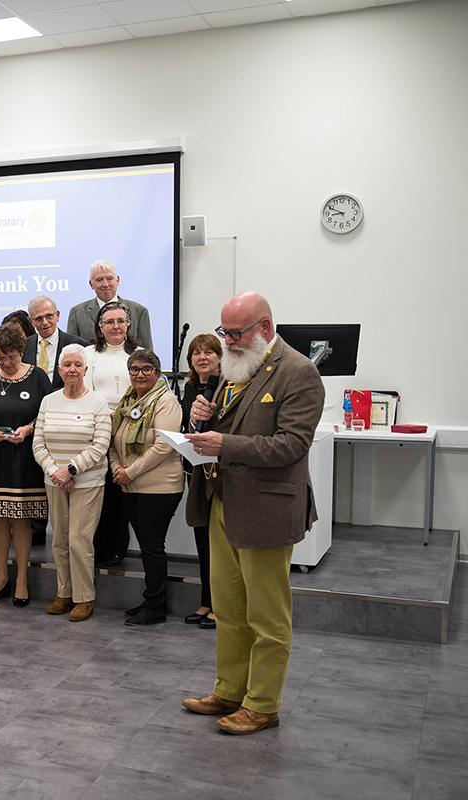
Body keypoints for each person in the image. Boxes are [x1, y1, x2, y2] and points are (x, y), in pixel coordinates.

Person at [182, 292, 323, 735]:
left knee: (267, 615)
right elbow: (230, 428)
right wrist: (206, 418)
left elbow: (291, 445)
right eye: (224, 331)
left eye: (236, 333)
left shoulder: (298, 372)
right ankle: (229, 689)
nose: (227, 341)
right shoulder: (235, 367)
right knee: (228, 608)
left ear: (265, 327)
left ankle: (262, 704)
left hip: (266, 510)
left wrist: (225, 444)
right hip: (223, 501)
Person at [0, 326, 52, 607]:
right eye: (1, 357)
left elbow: (49, 415)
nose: (5, 362)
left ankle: (22, 581)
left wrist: (28, 430)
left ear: (22, 352)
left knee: (20, 520)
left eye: (12, 357)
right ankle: (0, 577)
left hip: (24, 460)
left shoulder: (38, 377)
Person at [32, 344, 111, 621]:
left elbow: (101, 444)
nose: (72, 370)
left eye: (78, 365)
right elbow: (38, 442)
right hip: (54, 480)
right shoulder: (48, 401)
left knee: (79, 540)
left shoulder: (97, 403)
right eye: (67, 365)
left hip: (87, 482)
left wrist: (71, 470)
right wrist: (56, 471)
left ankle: (84, 598)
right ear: (59, 369)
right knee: (60, 541)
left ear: (86, 370)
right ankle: (64, 593)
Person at [110, 350, 183, 626]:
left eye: (146, 369)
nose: (140, 374)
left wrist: (129, 471)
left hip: (160, 487)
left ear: (157, 371)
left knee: (152, 546)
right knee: (146, 545)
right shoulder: (128, 400)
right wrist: (117, 466)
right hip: (131, 486)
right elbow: (115, 438)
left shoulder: (166, 401)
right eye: (135, 369)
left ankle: (156, 606)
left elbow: (164, 446)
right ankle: (152, 598)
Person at [85, 300, 143, 568]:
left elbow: (146, 394)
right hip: (97, 430)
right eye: (109, 322)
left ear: (128, 325)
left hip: (129, 431)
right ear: (100, 327)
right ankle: (97, 545)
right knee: (99, 490)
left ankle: (118, 547)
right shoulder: (88, 354)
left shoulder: (140, 354)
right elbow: (84, 392)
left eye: (120, 321)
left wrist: (121, 414)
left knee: (121, 489)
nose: (116, 326)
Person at [180, 333, 223, 629]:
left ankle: (221, 606)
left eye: (209, 352)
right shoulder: (190, 385)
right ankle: (206, 600)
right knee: (202, 537)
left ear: (220, 357)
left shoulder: (227, 385)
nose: (202, 357)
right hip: (195, 468)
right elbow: (188, 421)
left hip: (220, 471)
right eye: (197, 353)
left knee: (220, 542)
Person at [65, 260, 154, 351]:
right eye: (99, 280)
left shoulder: (139, 311)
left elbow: (147, 354)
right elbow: (72, 352)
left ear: (117, 280)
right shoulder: (77, 313)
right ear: (91, 284)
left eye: (109, 279)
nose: (105, 284)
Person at [23, 295, 88, 390]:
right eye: (39, 319)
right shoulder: (23, 347)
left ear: (57, 315)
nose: (45, 322)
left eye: (49, 316)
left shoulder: (79, 345)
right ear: (32, 322)